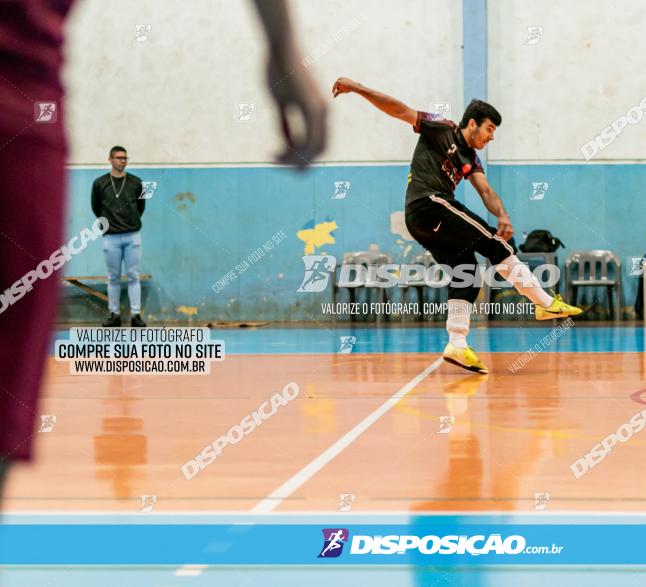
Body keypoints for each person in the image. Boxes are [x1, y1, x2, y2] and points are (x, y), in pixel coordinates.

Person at [0, 0, 327, 507]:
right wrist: (283, 49)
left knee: (125, 283)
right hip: (23, 122)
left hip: (23, 124)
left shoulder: (130, 184)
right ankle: (117, 317)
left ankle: (126, 318)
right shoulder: (95, 180)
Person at [331, 78, 581, 374]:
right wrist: (357, 88)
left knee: (468, 272)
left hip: (426, 222)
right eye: (489, 129)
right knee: (495, 243)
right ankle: (543, 301)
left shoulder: (470, 159)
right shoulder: (442, 127)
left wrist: (504, 215)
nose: (491, 137)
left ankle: (457, 345)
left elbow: (486, 191)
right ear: (472, 123)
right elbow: (399, 111)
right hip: (427, 204)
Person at [91, 146, 147, 327]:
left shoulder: (137, 182)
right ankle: (114, 315)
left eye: (125, 158)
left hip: (133, 236)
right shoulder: (99, 183)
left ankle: (136, 316)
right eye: (119, 158)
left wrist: (130, 221)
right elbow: (96, 207)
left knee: (133, 276)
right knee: (113, 277)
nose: (122, 161)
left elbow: (141, 207)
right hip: (111, 237)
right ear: (110, 159)